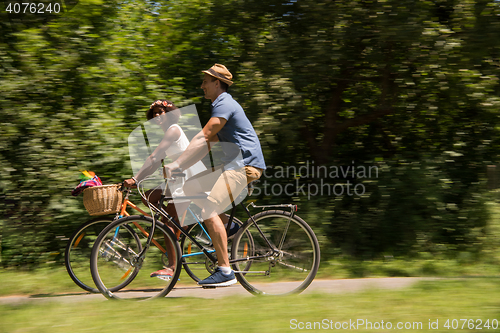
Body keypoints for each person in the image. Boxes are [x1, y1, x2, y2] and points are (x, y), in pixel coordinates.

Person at [163, 64, 266, 287]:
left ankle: (226, 271)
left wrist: (177, 163)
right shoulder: (220, 106)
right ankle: (229, 228)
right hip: (233, 165)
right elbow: (207, 144)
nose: (202, 86)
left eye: (205, 82)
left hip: (244, 166)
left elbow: (204, 136)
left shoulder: (225, 103)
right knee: (191, 186)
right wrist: (180, 166)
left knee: (207, 208)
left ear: (217, 83)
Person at [124, 99, 205, 279]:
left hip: (189, 180)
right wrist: (139, 180)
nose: (157, 116)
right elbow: (155, 163)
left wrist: (135, 178)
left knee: (167, 223)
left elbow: (154, 157)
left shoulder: (173, 129)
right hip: (180, 181)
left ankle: (172, 267)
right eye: (154, 114)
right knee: (148, 196)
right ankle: (178, 224)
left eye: (161, 112)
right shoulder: (167, 133)